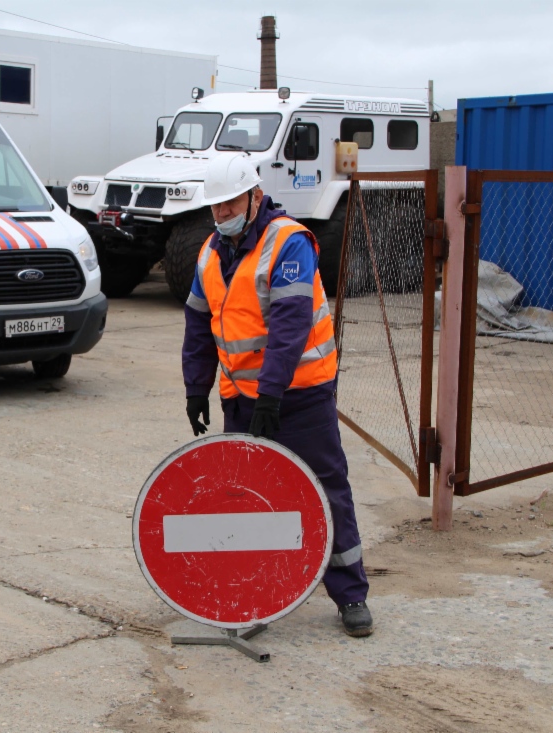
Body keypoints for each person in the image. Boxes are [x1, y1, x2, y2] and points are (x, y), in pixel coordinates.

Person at [181, 152, 373, 637]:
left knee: (327, 489)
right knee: (243, 502)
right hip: (241, 400)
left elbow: (290, 327)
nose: (222, 214)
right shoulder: (208, 254)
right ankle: (253, 600)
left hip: (302, 396)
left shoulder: (289, 243)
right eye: (215, 208)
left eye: (230, 204)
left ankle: (350, 595)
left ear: (255, 197)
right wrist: (195, 389)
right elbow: (199, 328)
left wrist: (271, 396)